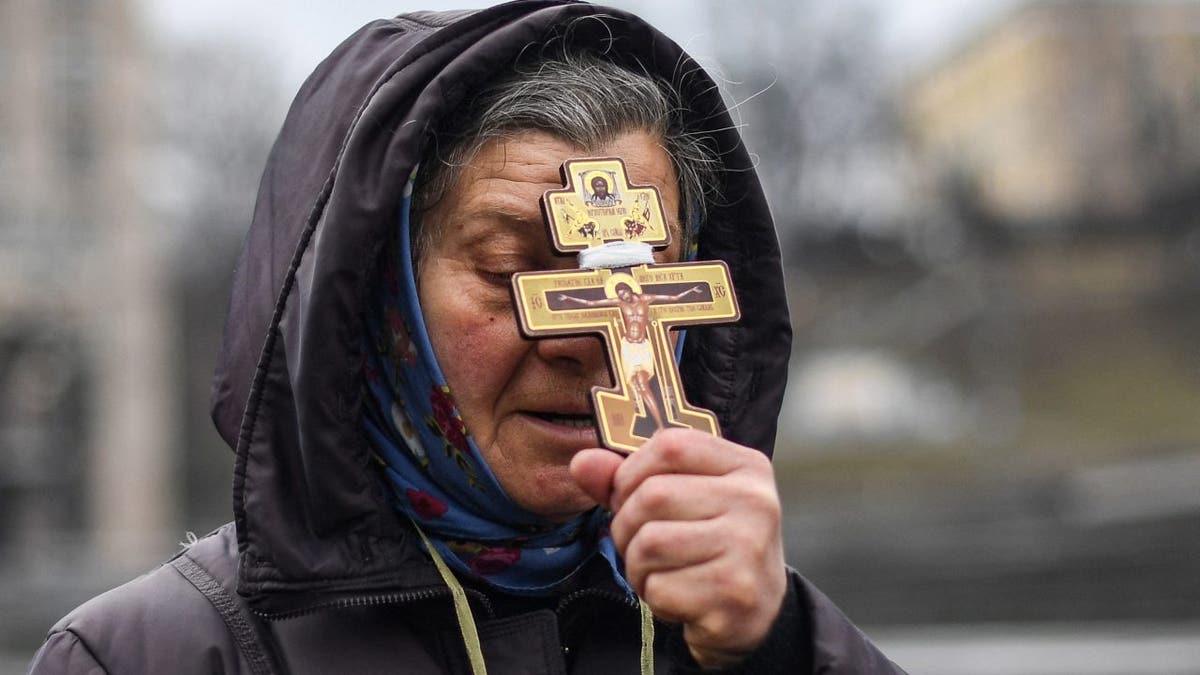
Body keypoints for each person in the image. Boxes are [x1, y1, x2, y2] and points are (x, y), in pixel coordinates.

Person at [28, 3, 905, 673]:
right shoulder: (146, 656)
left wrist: (779, 647)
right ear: (378, 299)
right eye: (509, 268)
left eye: (645, 272)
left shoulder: (745, 624)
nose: (592, 336)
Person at [557, 280, 704, 432]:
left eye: (624, 293)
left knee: (643, 384)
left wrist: (692, 290)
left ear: (629, 289)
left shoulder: (646, 299)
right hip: (628, 346)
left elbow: (674, 298)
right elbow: (590, 303)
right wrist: (568, 298)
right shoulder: (619, 302)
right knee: (634, 386)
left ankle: (659, 424)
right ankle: (645, 422)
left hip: (642, 346)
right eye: (620, 295)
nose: (623, 297)